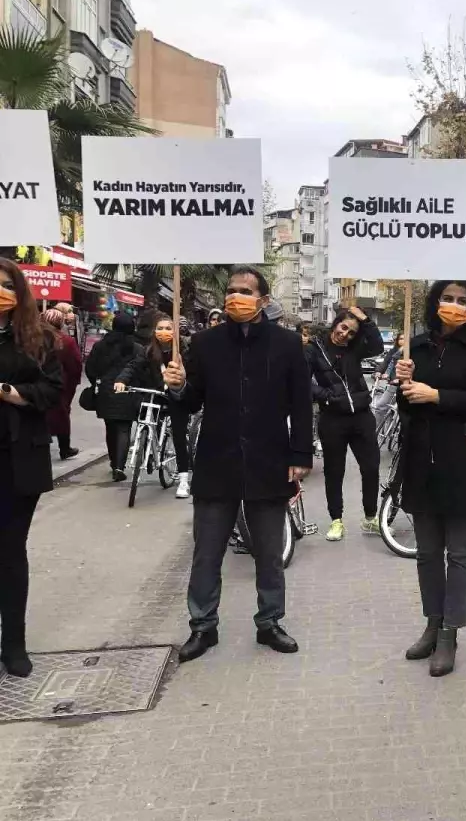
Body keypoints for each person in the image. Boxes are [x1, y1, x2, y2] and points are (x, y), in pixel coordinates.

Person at [164, 267, 313, 663]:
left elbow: (301, 404)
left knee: (269, 552)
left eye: (245, 291)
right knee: (207, 552)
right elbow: (192, 399)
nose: (235, 297)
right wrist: (178, 385)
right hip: (217, 461)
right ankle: (202, 626)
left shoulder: (286, 344)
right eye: (230, 290)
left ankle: (270, 622)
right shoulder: (206, 342)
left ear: (263, 300)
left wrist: (301, 455)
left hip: (269, 460)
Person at [393, 281, 466, 678]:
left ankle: (450, 633)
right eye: (447, 299)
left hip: (463, 461)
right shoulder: (416, 347)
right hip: (421, 461)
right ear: (435, 302)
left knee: (459, 552)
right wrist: (404, 385)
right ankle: (432, 622)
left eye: (462, 301)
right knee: (426, 552)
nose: (453, 306)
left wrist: (437, 395)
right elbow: (407, 407)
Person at [0, 259, 64, 678]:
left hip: (16, 457)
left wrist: (15, 394)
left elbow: (54, 390)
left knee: (8, 552)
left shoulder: (37, 338)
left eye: (5, 284)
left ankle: (14, 644)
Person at [307, 306, 385, 540]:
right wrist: (327, 396)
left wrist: (365, 320)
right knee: (334, 472)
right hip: (333, 419)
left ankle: (370, 518)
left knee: (371, 468)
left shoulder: (354, 349)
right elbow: (303, 382)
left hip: (361, 416)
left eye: (351, 332)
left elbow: (378, 346)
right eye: (343, 327)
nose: (345, 335)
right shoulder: (313, 349)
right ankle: (336, 521)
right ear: (335, 324)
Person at [114, 314, 194, 499]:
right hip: (155, 394)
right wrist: (121, 380)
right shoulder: (148, 351)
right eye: (160, 328)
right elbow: (133, 366)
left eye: (168, 328)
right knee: (147, 417)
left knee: (179, 434)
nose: (163, 332)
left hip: (177, 396)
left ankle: (183, 479)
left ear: (175, 331)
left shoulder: (184, 350)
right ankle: (149, 450)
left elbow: (192, 373)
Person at [84, 312, 142, 481]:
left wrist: (97, 382)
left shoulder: (100, 346)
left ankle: (113, 461)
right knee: (124, 428)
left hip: (106, 391)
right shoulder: (136, 348)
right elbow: (141, 369)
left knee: (110, 428)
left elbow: (90, 368)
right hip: (128, 390)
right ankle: (119, 466)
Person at [41, 308, 82, 461]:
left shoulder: (31, 338)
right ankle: (64, 448)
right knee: (61, 416)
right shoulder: (66, 341)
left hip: (35, 383)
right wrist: (73, 382)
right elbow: (75, 365)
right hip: (60, 385)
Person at [372, 334, 405, 431]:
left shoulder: (413, 351)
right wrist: (379, 372)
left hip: (407, 386)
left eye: (405, 339)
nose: (403, 341)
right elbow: (386, 362)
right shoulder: (394, 351)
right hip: (393, 385)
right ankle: (376, 432)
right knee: (381, 406)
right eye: (401, 339)